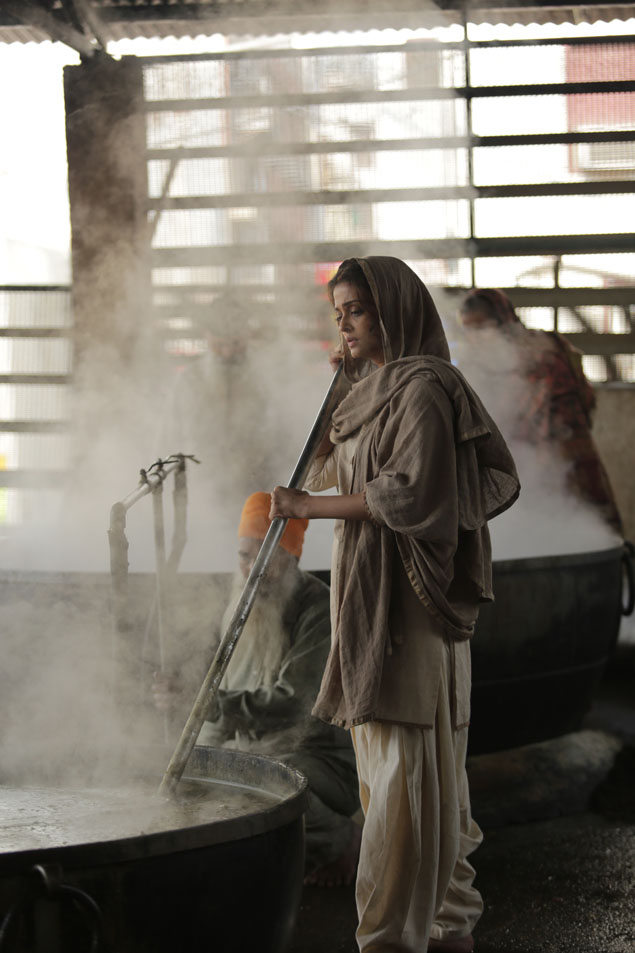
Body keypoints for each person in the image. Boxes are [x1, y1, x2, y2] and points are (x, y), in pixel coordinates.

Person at [269, 257, 520, 953]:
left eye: (355, 311)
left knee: (405, 775)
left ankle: (389, 938)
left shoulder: (420, 389)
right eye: (337, 314)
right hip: (369, 587)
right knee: (405, 771)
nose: (344, 325)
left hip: (405, 601)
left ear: (393, 312)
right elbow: (330, 461)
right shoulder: (373, 388)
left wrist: (307, 509)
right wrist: (341, 393)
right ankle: (443, 923)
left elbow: (411, 495)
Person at [153, 491, 361, 886]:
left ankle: (342, 841)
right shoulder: (237, 606)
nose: (253, 569)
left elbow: (295, 703)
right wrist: (194, 755)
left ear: (292, 559)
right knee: (188, 779)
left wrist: (202, 705)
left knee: (265, 782)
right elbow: (222, 698)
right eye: (245, 556)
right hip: (254, 748)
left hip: (315, 756)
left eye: (267, 558)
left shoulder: (318, 608)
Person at [460, 288, 622, 534]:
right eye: (469, 329)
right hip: (533, 462)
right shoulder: (488, 361)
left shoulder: (541, 352)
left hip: (560, 458)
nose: (476, 337)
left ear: (504, 320)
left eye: (482, 327)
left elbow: (573, 402)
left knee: (580, 526)